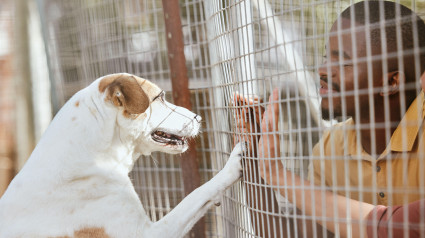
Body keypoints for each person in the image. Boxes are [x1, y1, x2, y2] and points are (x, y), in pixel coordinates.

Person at [235, 1, 425, 237]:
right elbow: (294, 234)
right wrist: (256, 157)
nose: (322, 70)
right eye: (326, 57)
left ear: (390, 82)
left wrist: (276, 172)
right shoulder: (329, 147)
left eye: (343, 62)